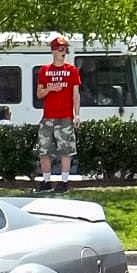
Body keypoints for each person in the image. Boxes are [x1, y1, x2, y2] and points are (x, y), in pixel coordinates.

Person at [33, 35, 81, 192]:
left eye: (65, 49)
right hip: (48, 116)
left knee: (66, 150)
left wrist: (77, 114)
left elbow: (76, 94)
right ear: (53, 51)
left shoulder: (72, 70)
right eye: (61, 49)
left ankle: (64, 182)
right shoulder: (44, 70)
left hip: (65, 116)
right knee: (44, 150)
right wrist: (50, 89)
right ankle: (46, 181)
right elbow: (39, 94)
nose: (64, 52)